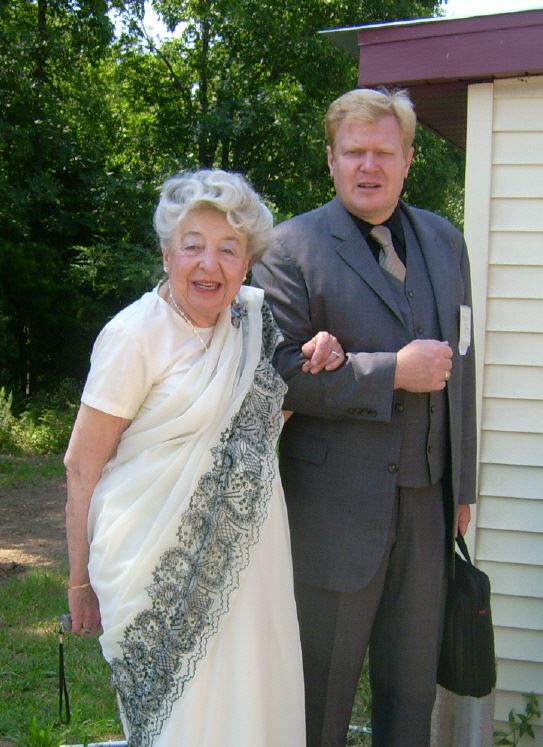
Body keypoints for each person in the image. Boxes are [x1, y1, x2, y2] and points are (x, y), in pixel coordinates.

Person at [64, 168, 344, 747]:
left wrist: (322, 353)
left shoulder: (255, 323)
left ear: (247, 263)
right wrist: (78, 582)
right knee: (177, 725)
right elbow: (81, 466)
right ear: (167, 254)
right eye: (192, 247)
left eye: (228, 249)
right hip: (151, 567)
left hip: (247, 562)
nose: (208, 265)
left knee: (248, 709)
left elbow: (269, 413)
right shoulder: (134, 336)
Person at [251, 88, 477, 747]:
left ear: (408, 159)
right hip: (332, 511)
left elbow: (462, 362)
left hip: (427, 506)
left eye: (383, 151)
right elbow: (278, 374)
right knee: (319, 695)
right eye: (353, 152)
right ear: (331, 160)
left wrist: (462, 486)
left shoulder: (446, 242)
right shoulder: (288, 248)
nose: (368, 165)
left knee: (410, 693)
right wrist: (390, 372)